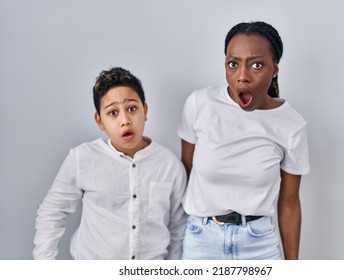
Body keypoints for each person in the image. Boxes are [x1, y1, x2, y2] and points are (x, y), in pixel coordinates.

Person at [177, 21, 310, 260]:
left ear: (275, 68)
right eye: (233, 64)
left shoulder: (291, 124)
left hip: (259, 246)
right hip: (200, 243)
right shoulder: (199, 104)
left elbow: (289, 203)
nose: (242, 77)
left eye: (257, 65)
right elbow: (184, 176)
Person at [33, 67, 187, 260]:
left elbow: (178, 228)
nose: (125, 120)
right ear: (100, 121)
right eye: (113, 113)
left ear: (145, 110)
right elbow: (52, 212)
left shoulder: (169, 165)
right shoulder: (82, 158)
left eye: (132, 108)